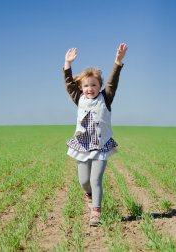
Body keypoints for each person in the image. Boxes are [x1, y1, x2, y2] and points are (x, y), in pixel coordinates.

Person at [63, 43, 127, 226]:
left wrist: (118, 61)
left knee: (95, 179)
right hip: (83, 146)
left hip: (101, 146)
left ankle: (96, 212)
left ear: (99, 86)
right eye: (86, 85)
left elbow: (113, 81)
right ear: (81, 87)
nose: (89, 88)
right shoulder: (79, 99)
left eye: (94, 85)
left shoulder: (105, 98)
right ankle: (89, 196)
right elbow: (68, 84)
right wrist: (67, 64)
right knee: (84, 181)